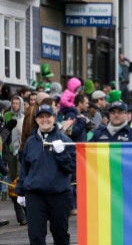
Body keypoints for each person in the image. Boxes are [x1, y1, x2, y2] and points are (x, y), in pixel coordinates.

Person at [15, 103, 75, 244]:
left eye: (48, 116)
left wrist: (61, 154)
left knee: (60, 235)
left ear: (54, 118)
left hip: (59, 195)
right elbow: (25, 168)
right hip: (35, 195)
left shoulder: (65, 141)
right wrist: (20, 191)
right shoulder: (30, 142)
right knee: (35, 236)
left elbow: (72, 168)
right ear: (36, 120)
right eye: (41, 117)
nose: (44, 120)